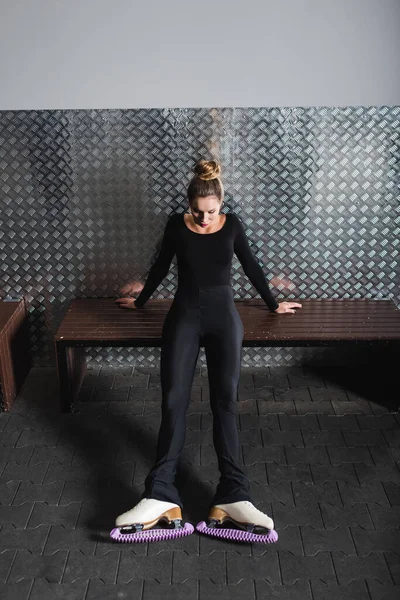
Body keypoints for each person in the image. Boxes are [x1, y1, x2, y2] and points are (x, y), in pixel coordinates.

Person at [111, 159, 302, 544]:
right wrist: (142, 301)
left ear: (221, 203)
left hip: (223, 321)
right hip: (183, 317)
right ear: (188, 205)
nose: (203, 219)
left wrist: (272, 303)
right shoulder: (174, 226)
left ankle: (233, 495)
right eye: (197, 212)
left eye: (210, 212)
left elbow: (252, 267)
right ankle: (160, 494)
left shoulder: (232, 226)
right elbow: (161, 267)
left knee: (226, 403)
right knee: (172, 402)